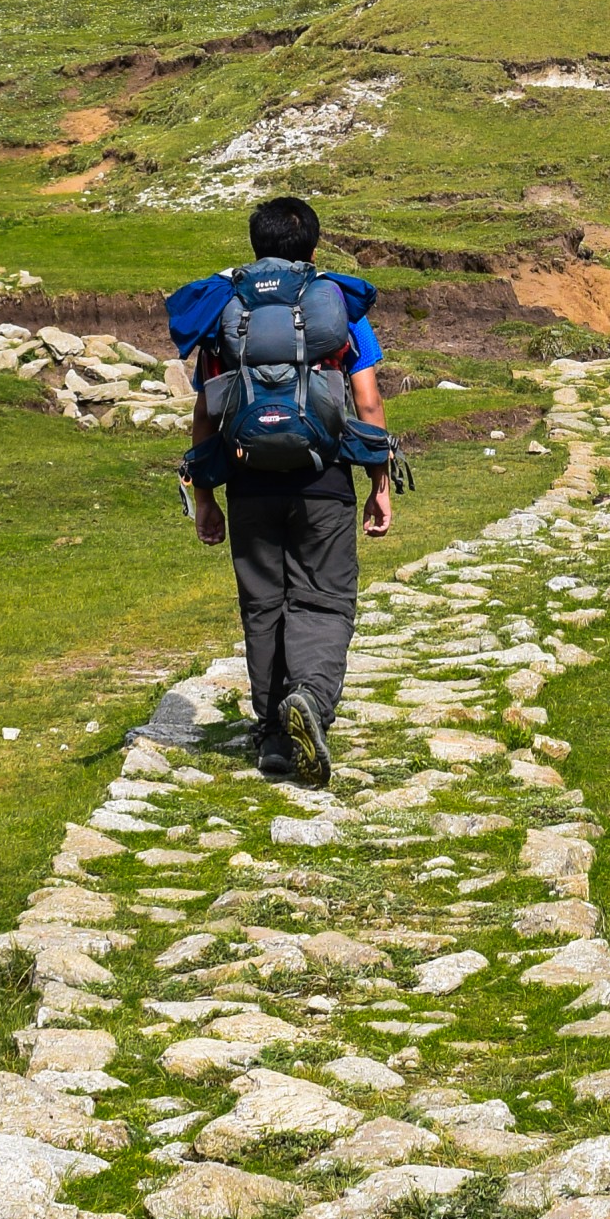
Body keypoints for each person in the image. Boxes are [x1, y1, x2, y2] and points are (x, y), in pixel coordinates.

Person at [164, 194, 401, 785]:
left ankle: (272, 734)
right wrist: (379, 481)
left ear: (255, 246)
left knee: (264, 603)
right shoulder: (333, 305)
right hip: (321, 478)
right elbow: (367, 401)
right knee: (322, 597)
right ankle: (312, 703)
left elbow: (205, 412)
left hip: (247, 479)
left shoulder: (228, 310)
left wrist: (206, 498)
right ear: (313, 248)